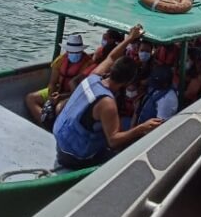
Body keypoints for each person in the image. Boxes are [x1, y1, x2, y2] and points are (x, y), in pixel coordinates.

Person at [53, 25, 162, 169]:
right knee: (125, 150)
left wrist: (129, 38)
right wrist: (141, 128)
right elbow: (113, 141)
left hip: (60, 143)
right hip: (74, 156)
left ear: (112, 69)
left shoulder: (94, 77)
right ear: (128, 82)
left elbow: (111, 56)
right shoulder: (107, 103)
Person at [24, 34, 93, 125]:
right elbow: (52, 82)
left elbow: (82, 91)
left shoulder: (88, 64)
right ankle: (44, 123)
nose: (75, 54)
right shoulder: (60, 60)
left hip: (73, 95)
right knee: (30, 98)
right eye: (72, 52)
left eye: (77, 52)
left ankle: (55, 127)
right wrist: (51, 96)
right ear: (67, 51)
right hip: (58, 91)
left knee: (59, 108)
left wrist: (61, 97)